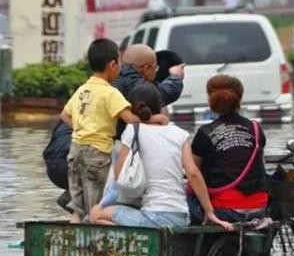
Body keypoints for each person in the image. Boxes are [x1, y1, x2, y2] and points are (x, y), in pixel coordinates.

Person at [90, 82, 234, 231]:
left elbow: (120, 173)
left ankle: (133, 244)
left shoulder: (133, 130)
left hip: (154, 217)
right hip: (181, 217)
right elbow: (192, 173)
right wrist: (209, 211)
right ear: (160, 106)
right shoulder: (180, 134)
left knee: (96, 214)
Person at [60, 38, 167, 223]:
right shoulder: (110, 93)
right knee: (96, 205)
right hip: (97, 153)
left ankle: (72, 240)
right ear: (112, 65)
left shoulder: (83, 90)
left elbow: (64, 115)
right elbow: (131, 120)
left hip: (75, 149)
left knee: (78, 206)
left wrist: (83, 130)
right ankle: (91, 247)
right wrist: (157, 118)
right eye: (120, 62)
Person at [187, 75, 269, 224]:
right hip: (259, 207)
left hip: (224, 210)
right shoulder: (256, 129)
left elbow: (193, 172)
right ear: (240, 99)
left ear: (210, 100)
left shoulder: (205, 133)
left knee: (188, 193)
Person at [113, 44, 185, 136]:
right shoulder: (138, 86)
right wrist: (176, 76)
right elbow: (165, 93)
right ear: (146, 69)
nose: (156, 72)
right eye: (155, 68)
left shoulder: (114, 77)